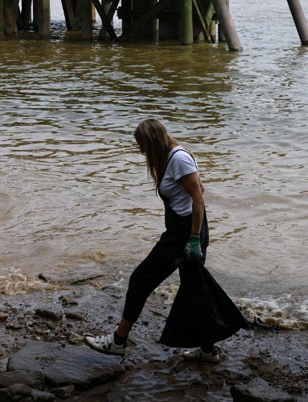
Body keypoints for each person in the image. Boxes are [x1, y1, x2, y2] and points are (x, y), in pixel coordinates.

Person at [85, 118, 220, 362]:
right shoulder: (172, 158)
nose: (141, 150)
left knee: (140, 280)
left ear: (153, 140)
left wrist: (192, 239)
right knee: (194, 290)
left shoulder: (178, 158)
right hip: (186, 231)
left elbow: (199, 196)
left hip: (184, 235)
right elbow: (199, 189)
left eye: (143, 145)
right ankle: (208, 351)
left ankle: (118, 341)